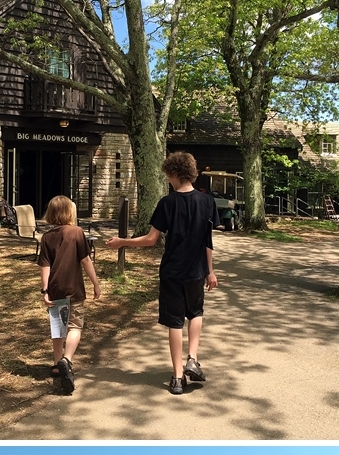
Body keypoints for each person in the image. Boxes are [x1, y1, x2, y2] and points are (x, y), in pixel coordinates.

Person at [107, 151, 218, 396]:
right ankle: (193, 358)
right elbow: (207, 241)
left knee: (175, 322)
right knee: (196, 312)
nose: (168, 180)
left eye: (168, 175)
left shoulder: (167, 203)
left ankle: (178, 377)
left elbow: (150, 239)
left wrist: (122, 241)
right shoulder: (207, 202)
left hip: (172, 271)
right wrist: (210, 271)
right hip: (197, 270)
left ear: (176, 174)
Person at [38, 194, 101, 395]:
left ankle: (57, 364)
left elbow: (44, 266)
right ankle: (67, 359)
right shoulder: (77, 232)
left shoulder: (46, 237)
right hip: (74, 289)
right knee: (75, 325)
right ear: (69, 212)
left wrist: (45, 289)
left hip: (55, 289)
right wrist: (95, 283)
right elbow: (86, 261)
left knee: (58, 327)